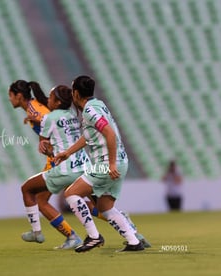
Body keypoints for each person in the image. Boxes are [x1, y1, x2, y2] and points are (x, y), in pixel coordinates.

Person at [55, 75, 145, 252]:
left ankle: (94, 237)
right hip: (121, 161)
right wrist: (67, 152)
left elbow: (109, 134)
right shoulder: (98, 105)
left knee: (71, 194)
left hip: (107, 164)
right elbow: (89, 136)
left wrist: (111, 164)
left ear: (76, 93)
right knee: (104, 207)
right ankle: (134, 241)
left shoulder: (89, 110)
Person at [19, 84, 103, 249]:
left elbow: (44, 144)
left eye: (50, 98)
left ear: (57, 102)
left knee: (27, 189)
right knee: (99, 205)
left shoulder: (49, 117)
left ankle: (38, 232)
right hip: (84, 166)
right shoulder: (72, 114)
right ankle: (132, 232)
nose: (47, 101)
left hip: (65, 169)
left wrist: (44, 145)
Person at [9, 80, 83, 249]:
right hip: (67, 160)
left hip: (57, 161)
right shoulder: (33, 108)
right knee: (89, 202)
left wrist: (37, 119)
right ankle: (129, 229)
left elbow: (50, 119)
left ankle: (65, 236)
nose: (9, 99)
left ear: (18, 96)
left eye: (10, 95)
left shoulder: (33, 109)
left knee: (38, 199)